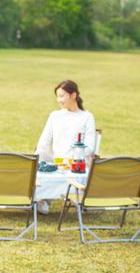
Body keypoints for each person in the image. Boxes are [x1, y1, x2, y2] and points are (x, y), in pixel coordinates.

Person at [35, 79, 96, 214]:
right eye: (57, 96)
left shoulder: (87, 117)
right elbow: (44, 142)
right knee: (43, 172)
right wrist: (37, 159)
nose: (58, 100)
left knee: (69, 176)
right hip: (56, 164)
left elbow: (90, 147)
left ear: (73, 95)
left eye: (62, 96)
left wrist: (73, 159)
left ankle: (47, 197)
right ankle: (43, 199)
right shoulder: (55, 116)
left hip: (77, 166)